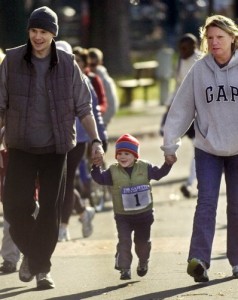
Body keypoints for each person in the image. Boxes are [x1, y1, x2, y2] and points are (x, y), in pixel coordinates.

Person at [0, 6, 104, 290]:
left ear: (53, 34)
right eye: (33, 31)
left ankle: (41, 269)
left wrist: (95, 140)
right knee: (12, 207)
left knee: (50, 210)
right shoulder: (11, 60)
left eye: (43, 32)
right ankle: (35, 257)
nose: (37, 37)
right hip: (21, 146)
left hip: (56, 148)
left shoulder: (68, 64)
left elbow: (85, 107)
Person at [161, 15, 238, 282]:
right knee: (206, 203)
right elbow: (182, 108)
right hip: (207, 148)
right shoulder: (199, 70)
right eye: (210, 38)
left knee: (237, 205)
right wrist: (170, 142)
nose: (215, 42)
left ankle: (237, 260)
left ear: (232, 38)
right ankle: (199, 261)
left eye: (220, 37)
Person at [91, 134, 172, 280]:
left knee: (142, 243)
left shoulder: (145, 167)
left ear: (135, 155)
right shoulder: (113, 171)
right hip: (123, 216)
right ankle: (125, 268)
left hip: (144, 215)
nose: (122, 157)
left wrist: (168, 164)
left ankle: (143, 261)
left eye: (127, 153)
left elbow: (159, 174)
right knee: (124, 241)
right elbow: (100, 179)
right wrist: (96, 166)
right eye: (120, 154)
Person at [55, 41, 107, 241]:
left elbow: (93, 112)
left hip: (79, 139)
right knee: (57, 182)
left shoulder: (82, 80)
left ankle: (63, 226)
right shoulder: (47, 79)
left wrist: (99, 138)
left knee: (66, 181)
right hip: (54, 139)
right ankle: (84, 212)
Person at [160, 33, 201, 198]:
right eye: (180, 48)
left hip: (201, 112)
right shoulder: (180, 62)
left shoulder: (201, 61)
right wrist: (169, 106)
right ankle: (191, 181)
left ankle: (191, 182)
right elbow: (178, 86)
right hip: (187, 111)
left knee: (200, 147)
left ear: (194, 46)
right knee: (198, 147)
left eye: (185, 48)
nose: (182, 51)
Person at [87, 47, 119, 127]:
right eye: (88, 64)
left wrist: (103, 121)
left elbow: (112, 103)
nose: (90, 67)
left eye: (93, 65)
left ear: (100, 63)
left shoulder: (105, 80)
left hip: (101, 120)